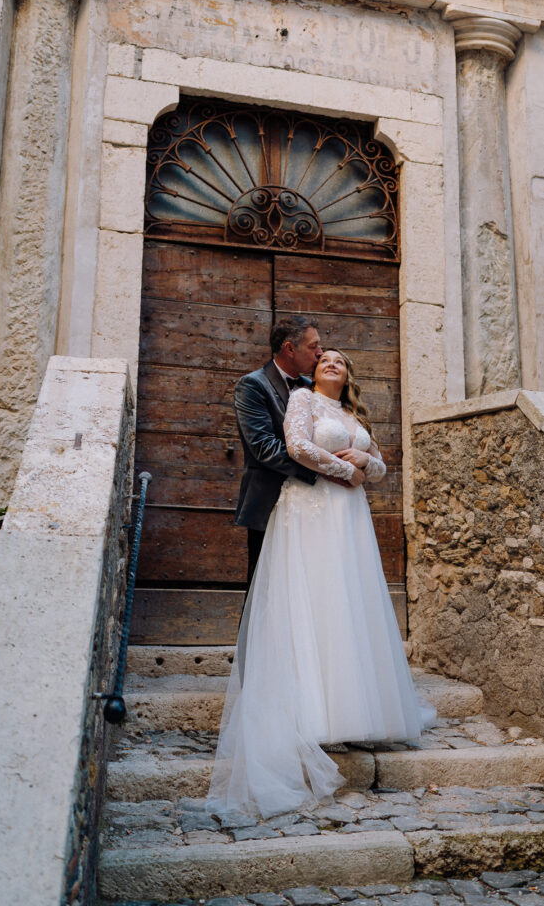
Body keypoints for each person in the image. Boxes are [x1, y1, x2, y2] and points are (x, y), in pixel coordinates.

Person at [208, 348, 434, 818]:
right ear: (312, 370)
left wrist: (366, 465)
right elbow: (297, 447)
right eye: (324, 358)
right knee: (314, 599)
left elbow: (382, 466)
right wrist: (347, 469)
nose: (331, 363)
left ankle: (354, 711)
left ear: (349, 373)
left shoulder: (352, 413)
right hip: (311, 509)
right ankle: (310, 713)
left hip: (348, 515)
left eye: (340, 360)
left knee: (346, 604)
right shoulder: (302, 400)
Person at [232, 315, 365, 593]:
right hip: (270, 500)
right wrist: (326, 470)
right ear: (290, 349)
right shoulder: (252, 385)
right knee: (266, 591)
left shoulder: (313, 386)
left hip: (317, 505)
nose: (320, 353)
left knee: (315, 585)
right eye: (314, 347)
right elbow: (263, 448)